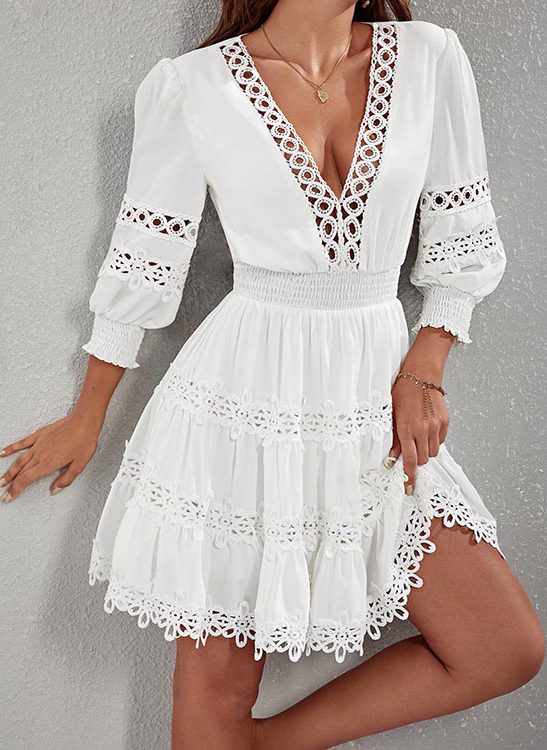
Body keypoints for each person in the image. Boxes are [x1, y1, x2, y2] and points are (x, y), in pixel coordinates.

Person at [1, 1, 544, 748]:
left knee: (503, 646)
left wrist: (427, 363)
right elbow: (144, 261)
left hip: (374, 403)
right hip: (240, 407)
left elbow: (463, 235)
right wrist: (87, 415)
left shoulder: (429, 58)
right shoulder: (191, 86)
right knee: (219, 691)